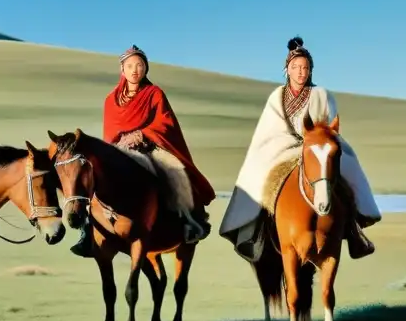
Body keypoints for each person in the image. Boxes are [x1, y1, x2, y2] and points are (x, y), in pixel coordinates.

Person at [218, 36, 381, 261]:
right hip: (282, 146)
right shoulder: (277, 96)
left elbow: (330, 125)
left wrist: (314, 140)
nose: (301, 72)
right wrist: (293, 141)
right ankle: (251, 233)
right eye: (296, 67)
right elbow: (270, 128)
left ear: (311, 70)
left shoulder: (322, 94)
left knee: (347, 165)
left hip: (317, 145)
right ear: (287, 70)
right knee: (255, 174)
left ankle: (355, 229)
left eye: (305, 67)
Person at [69, 45, 216, 257]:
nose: (135, 70)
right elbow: (110, 132)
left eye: (139, 65)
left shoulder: (154, 93)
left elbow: (166, 123)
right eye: (130, 66)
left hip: (150, 146)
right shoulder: (110, 100)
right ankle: (87, 229)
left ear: (146, 68)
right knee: (92, 173)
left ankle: (190, 220)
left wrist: (142, 134)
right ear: (122, 70)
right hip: (119, 150)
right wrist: (118, 144)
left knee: (175, 170)